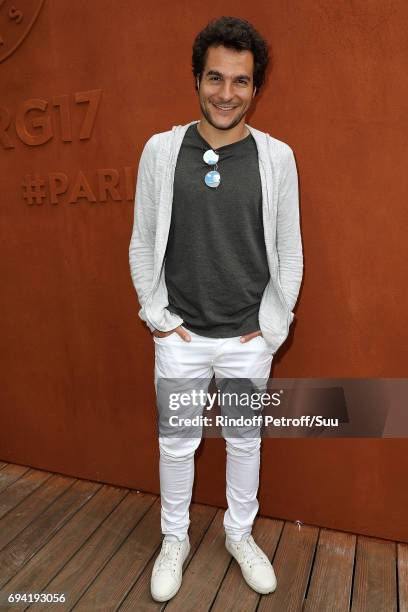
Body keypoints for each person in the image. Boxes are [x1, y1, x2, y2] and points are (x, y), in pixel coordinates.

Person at [129, 15, 303, 603]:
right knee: (177, 443)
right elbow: (143, 240)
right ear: (196, 79)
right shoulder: (160, 151)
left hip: (246, 339)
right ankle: (172, 540)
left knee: (244, 440)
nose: (226, 93)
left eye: (240, 81)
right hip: (181, 336)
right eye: (214, 78)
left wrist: (269, 331)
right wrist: (159, 318)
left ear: (256, 87)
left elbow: (289, 251)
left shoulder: (277, 159)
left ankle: (238, 534)